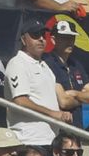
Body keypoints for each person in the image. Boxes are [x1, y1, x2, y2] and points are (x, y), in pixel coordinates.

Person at [4, 20, 71, 148]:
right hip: (29, 141)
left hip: (50, 140)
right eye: (35, 35)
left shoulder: (45, 66)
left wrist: (62, 113)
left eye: (43, 35)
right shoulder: (18, 63)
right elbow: (20, 100)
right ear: (23, 40)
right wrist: (53, 114)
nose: (41, 39)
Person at [45, 18, 89, 123]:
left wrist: (74, 94)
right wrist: (83, 99)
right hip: (59, 128)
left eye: (72, 38)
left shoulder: (75, 64)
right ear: (53, 40)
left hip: (77, 127)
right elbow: (63, 102)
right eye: (65, 38)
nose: (70, 42)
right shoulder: (48, 63)